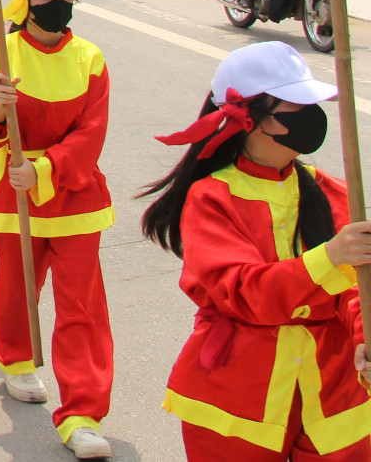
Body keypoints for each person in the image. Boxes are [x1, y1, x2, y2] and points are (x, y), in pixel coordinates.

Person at [141, 43, 371, 460]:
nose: (311, 118)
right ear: (249, 120)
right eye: (297, 107)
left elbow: (357, 290)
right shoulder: (212, 198)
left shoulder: (331, 190)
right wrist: (330, 257)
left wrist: (365, 337)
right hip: (239, 390)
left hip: (334, 388)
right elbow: (244, 292)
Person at [0, 0, 114, 459]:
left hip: (74, 192)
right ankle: (16, 359)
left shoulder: (91, 58)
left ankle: (82, 412)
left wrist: (47, 169)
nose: (58, 4)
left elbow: (92, 132)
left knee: (82, 304)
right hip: (14, 191)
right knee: (17, 285)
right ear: (26, 2)